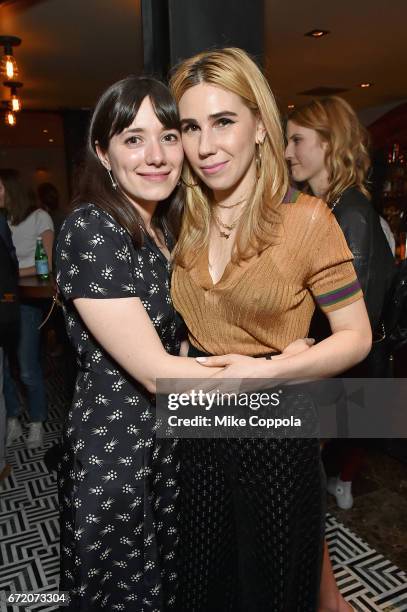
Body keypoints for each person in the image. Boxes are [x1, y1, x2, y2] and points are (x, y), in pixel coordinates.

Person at [169, 48, 372, 612]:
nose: (205, 145)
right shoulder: (182, 217)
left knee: (276, 589)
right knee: (205, 585)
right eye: (190, 127)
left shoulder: (306, 218)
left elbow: (357, 335)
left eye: (224, 122)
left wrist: (273, 369)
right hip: (196, 418)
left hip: (275, 423)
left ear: (261, 125)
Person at [285, 96, 395, 611]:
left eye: (297, 140)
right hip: (326, 378)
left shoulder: (349, 213)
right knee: (300, 499)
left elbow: (355, 324)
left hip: (338, 383)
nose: (287, 152)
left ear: (328, 144)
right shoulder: (327, 207)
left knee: (299, 497)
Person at [0, 169, 53, 450]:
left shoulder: (39, 217)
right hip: (3, 298)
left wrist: (10, 274)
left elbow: (47, 263)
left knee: (28, 369)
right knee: (3, 369)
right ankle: (12, 417)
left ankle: (37, 421)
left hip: (27, 301)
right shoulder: (1, 220)